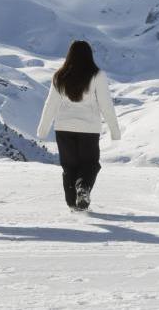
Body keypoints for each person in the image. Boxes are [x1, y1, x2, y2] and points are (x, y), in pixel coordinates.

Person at [35, 40, 121, 211]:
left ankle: (73, 205)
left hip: (64, 128)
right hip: (89, 129)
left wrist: (42, 129)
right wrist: (114, 131)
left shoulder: (60, 76)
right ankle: (82, 189)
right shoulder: (97, 75)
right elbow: (106, 105)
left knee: (69, 167)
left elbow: (50, 104)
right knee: (90, 164)